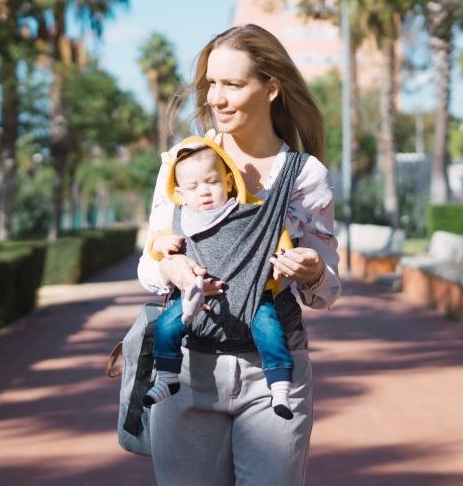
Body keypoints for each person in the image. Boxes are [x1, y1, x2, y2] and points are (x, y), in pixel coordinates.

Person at [137, 24, 342, 486]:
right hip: (186, 367)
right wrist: (168, 265)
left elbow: (327, 291)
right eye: (212, 83)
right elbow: (149, 263)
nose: (216, 97)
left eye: (233, 84)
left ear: (271, 88)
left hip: (274, 372)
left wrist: (311, 271)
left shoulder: (306, 176)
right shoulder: (184, 163)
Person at [143, 136, 299, 419]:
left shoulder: (247, 213)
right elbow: (155, 242)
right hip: (196, 299)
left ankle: (280, 384)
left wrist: (283, 256)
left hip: (252, 297)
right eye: (193, 187)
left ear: (228, 182)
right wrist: (160, 248)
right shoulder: (181, 219)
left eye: (211, 182)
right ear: (180, 193)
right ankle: (167, 376)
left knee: (269, 329)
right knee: (166, 324)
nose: (203, 191)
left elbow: (275, 234)